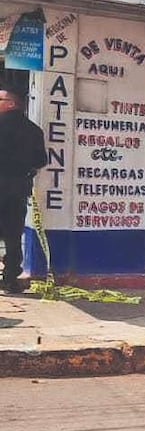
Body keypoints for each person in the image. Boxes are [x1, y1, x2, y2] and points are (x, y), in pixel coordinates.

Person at [0, 88, 46, 293]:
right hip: (18, 188)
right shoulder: (34, 130)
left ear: (11, 103)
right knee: (13, 234)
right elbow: (41, 161)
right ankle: (10, 278)